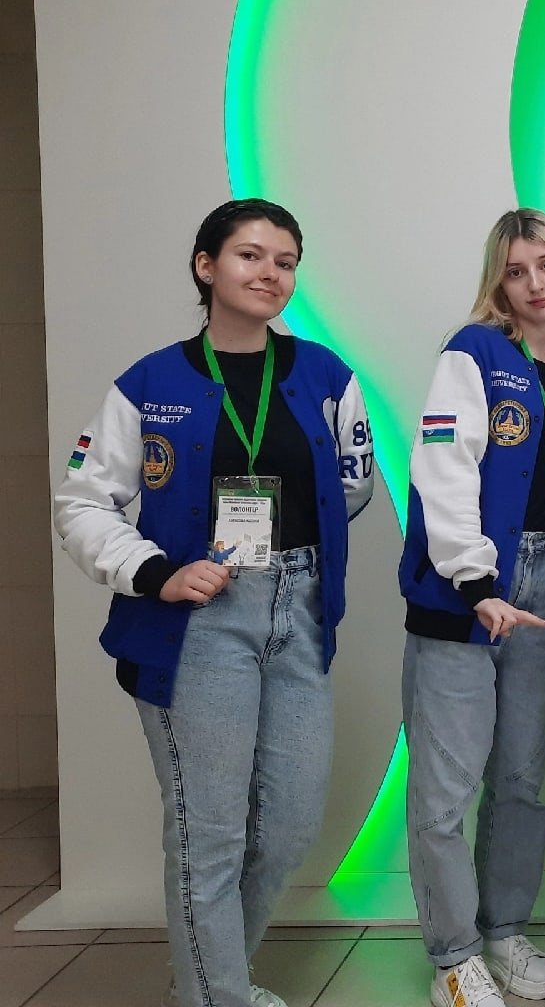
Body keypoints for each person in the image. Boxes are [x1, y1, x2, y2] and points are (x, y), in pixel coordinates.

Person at [54, 199, 373, 1007]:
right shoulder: (149, 382)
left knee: (290, 825)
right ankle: (218, 994)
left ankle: (207, 978)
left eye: (286, 262)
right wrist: (157, 570)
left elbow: (352, 485)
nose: (271, 274)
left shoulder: (326, 375)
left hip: (299, 611)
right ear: (206, 265)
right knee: (210, 834)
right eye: (250, 256)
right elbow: (82, 504)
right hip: (195, 624)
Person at [397, 209, 545, 1007]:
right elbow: (443, 469)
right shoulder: (473, 353)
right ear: (497, 283)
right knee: (445, 792)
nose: (535, 283)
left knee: (519, 779)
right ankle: (454, 954)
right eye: (516, 270)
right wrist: (477, 585)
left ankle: (504, 929)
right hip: (467, 593)